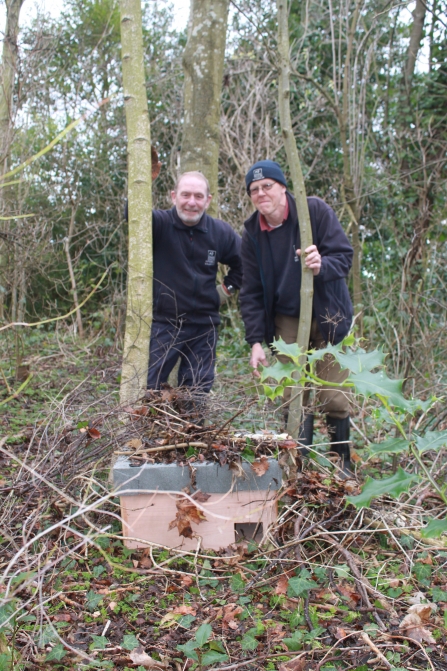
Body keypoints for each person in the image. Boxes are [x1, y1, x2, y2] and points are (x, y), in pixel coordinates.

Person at [239, 160, 354, 473]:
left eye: (267, 186)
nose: (261, 193)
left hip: (329, 313)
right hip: (287, 320)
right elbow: (249, 291)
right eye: (254, 189)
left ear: (283, 188)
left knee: (334, 397)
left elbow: (344, 257)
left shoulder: (313, 212)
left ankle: (341, 463)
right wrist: (256, 342)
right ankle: (297, 468)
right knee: (292, 395)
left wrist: (321, 265)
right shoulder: (251, 234)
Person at [146, 171, 242, 398]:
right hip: (164, 324)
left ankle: (193, 433)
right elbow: (132, 212)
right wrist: (144, 179)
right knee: (151, 392)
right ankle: (149, 434)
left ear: (208, 200)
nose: (191, 202)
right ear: (173, 196)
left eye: (198, 196)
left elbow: (247, 263)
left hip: (204, 327)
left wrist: (225, 290)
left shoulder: (220, 232)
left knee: (196, 395)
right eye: (185, 195)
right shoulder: (158, 223)